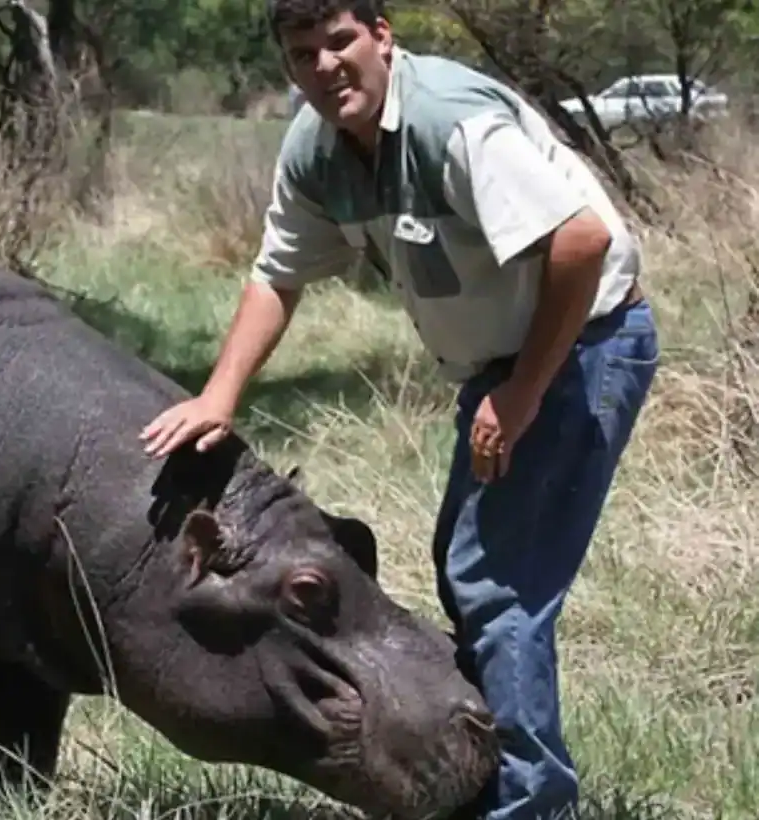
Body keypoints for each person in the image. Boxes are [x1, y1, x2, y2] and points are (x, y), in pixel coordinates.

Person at [138, 2, 659, 819]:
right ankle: (481, 776)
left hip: (580, 347)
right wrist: (220, 394)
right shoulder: (317, 147)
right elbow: (278, 274)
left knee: (494, 585)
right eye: (302, 53)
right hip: (501, 368)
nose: (324, 66)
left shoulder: (449, 122)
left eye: (339, 41)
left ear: (382, 35)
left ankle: (527, 804)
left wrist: (523, 392)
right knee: (467, 567)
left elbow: (581, 241)